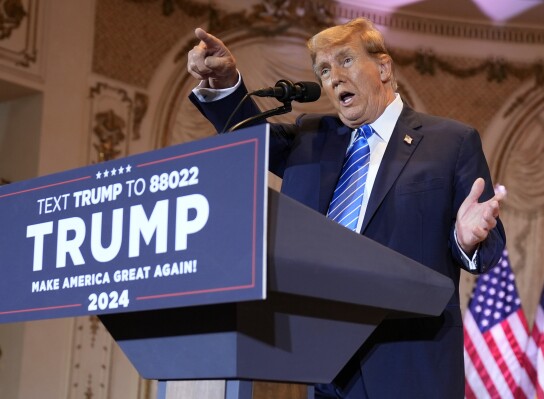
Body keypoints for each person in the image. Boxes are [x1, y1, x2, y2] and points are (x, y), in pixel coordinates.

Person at [187, 17, 506, 399]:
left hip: (408, 362)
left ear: (384, 67)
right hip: (323, 363)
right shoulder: (312, 139)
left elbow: (487, 248)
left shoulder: (450, 142)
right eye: (323, 70)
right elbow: (250, 137)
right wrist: (225, 85)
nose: (333, 77)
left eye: (346, 61)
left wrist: (464, 239)